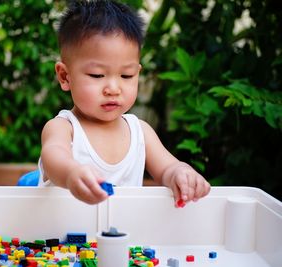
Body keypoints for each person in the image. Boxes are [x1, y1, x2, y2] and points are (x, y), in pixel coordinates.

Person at [38, 0, 211, 206]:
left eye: (126, 76)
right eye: (97, 75)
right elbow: (54, 157)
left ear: (137, 73)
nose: (113, 88)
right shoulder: (63, 128)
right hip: (62, 235)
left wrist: (181, 174)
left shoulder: (140, 132)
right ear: (65, 76)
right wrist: (71, 173)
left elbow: (167, 169)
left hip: (121, 236)